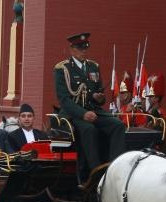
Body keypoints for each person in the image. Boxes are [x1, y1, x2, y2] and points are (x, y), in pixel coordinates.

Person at [54, 32, 125, 180]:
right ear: (72, 49)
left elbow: (98, 94)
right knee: (89, 129)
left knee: (118, 125)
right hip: (73, 113)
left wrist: (99, 98)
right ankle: (96, 172)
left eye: (85, 48)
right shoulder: (63, 68)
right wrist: (83, 114)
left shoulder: (93, 66)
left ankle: (115, 166)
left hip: (93, 110)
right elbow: (64, 100)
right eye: (80, 49)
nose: (83, 51)